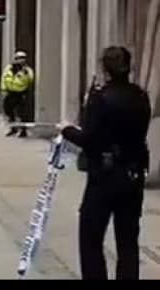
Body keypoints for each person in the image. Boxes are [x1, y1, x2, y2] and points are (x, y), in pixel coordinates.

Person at [61, 46, 150, 280]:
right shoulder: (140, 96)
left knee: (91, 239)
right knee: (128, 242)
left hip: (104, 176)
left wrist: (67, 130)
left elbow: (91, 139)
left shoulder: (100, 98)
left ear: (105, 69)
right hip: (133, 174)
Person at [0, 51, 35, 138]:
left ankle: (23, 131)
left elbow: (30, 79)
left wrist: (24, 73)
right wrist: (3, 90)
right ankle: (13, 128)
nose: (20, 60)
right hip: (10, 92)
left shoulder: (27, 70)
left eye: (22, 58)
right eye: (18, 58)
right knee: (8, 109)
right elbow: (4, 78)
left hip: (21, 93)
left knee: (22, 112)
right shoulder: (9, 68)